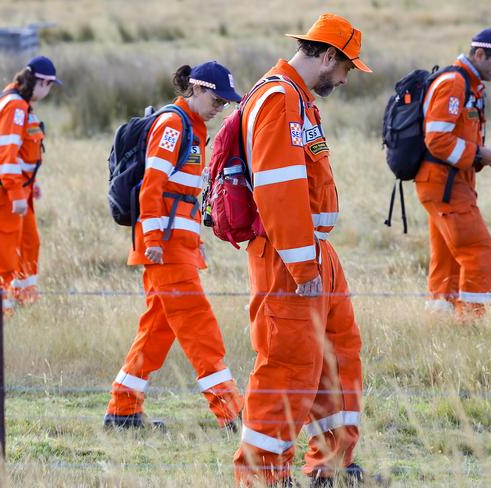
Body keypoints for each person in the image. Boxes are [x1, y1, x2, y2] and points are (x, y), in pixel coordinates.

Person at [233, 13, 370, 487]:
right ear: (328, 55)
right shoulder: (278, 99)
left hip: (314, 253)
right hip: (289, 257)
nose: (347, 79)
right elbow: (278, 188)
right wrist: (300, 262)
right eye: (347, 67)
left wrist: (313, 258)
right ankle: (263, 479)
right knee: (287, 368)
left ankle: (331, 467)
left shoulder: (297, 99)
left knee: (339, 355)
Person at [104, 61, 244, 430]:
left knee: (157, 331)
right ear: (196, 89)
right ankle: (233, 414)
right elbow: (152, 185)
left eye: (226, 103)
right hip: (164, 249)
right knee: (201, 329)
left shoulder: (193, 128)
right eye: (217, 99)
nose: (220, 107)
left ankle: (123, 411)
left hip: (178, 247)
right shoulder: (173, 125)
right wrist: (152, 240)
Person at [414, 28, 491, 318]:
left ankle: (440, 321)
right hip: (443, 184)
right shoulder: (454, 84)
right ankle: (471, 324)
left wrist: (479, 158)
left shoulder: (469, 86)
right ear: (479, 54)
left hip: (446, 183)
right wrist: (478, 154)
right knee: (478, 250)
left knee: (448, 258)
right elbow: (437, 140)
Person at [0, 55, 60, 315]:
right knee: (3, 251)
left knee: (29, 243)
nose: (48, 92)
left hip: (17, 187)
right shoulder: (15, 108)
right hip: (0, 189)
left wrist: (29, 185)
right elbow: (7, 155)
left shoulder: (21, 104)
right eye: (49, 86)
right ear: (42, 83)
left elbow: (23, 153)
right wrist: (16, 194)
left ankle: (23, 299)